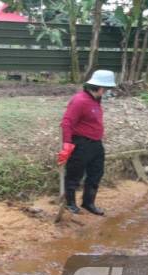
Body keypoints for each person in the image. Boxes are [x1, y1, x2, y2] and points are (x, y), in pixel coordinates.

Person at [57, 70, 116, 215]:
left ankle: (88, 203)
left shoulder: (96, 100)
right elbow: (66, 123)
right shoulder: (80, 101)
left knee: (96, 173)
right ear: (101, 88)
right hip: (81, 144)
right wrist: (67, 145)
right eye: (107, 89)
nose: (107, 92)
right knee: (74, 175)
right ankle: (69, 203)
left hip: (96, 144)